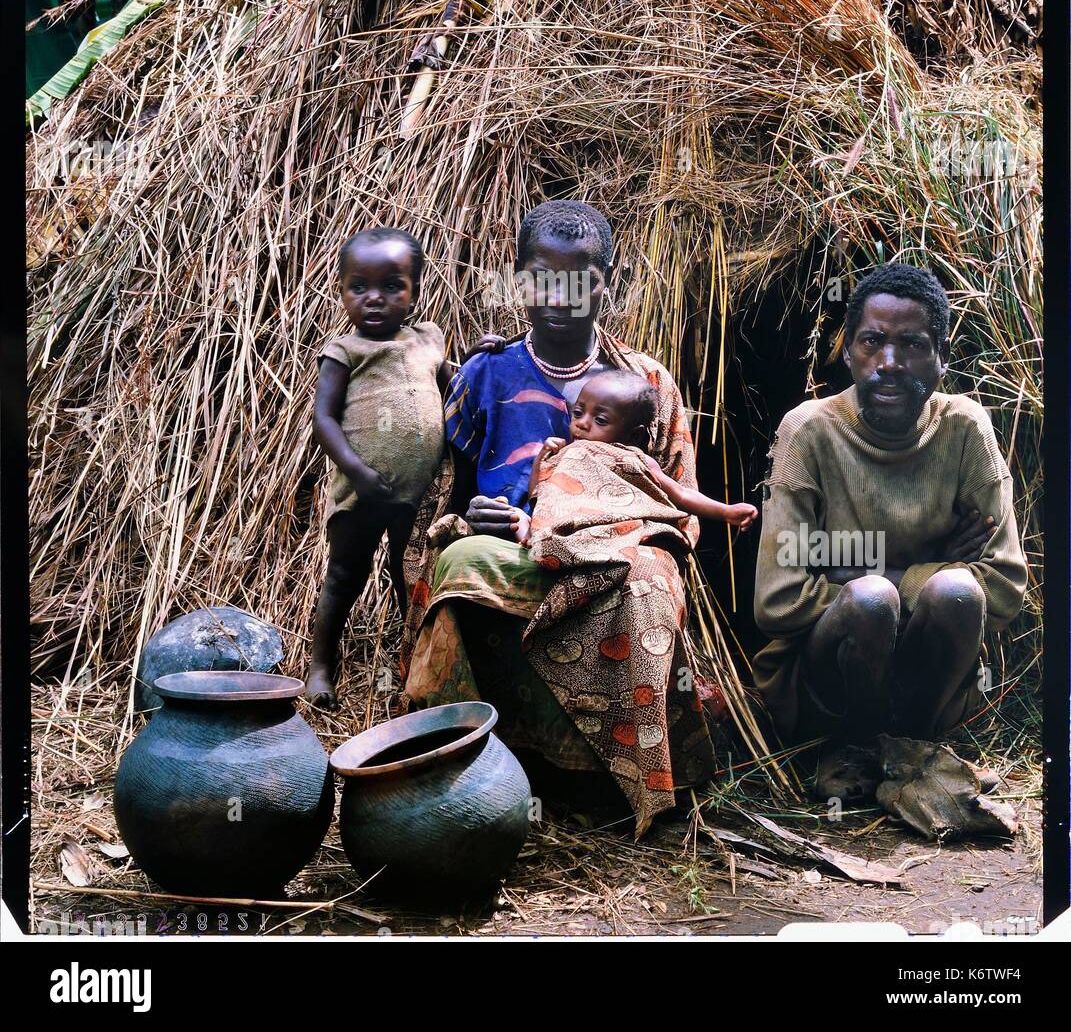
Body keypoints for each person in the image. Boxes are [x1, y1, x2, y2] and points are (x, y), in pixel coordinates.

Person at [400, 201, 735, 838]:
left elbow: (679, 511)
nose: (558, 296)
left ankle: (609, 782)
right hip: (518, 552)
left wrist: (618, 534)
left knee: (645, 578)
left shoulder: (647, 385)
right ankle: (464, 769)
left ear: (608, 282)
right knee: (462, 562)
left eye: (579, 279)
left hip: (618, 553)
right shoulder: (485, 375)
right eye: (540, 277)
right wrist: (481, 518)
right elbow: (454, 499)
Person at [752, 262, 1028, 800]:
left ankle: (912, 745)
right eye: (872, 341)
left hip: (931, 686)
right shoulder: (809, 432)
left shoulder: (965, 429)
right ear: (849, 350)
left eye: (913, 345)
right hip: (827, 685)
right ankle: (854, 745)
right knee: (872, 601)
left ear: (941, 358)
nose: (890, 363)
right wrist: (922, 568)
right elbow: (777, 600)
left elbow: (1002, 589)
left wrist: (857, 567)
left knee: (954, 591)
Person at [304, 226, 496, 708]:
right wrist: (355, 468)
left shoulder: (428, 339)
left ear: (415, 290)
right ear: (342, 290)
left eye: (392, 286)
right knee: (344, 574)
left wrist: (476, 358)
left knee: (408, 578)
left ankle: (408, 661)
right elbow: (323, 420)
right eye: (359, 286)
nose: (375, 298)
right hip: (361, 493)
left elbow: (452, 387)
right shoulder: (344, 351)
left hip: (418, 495)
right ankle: (321, 666)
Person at [510, 370, 758, 556]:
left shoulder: (635, 460)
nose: (582, 423)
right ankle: (536, 540)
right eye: (578, 413)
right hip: (556, 527)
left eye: (601, 420)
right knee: (519, 519)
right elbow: (539, 495)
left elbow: (680, 494)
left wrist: (726, 511)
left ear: (634, 435)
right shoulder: (567, 453)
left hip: (603, 533)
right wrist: (543, 458)